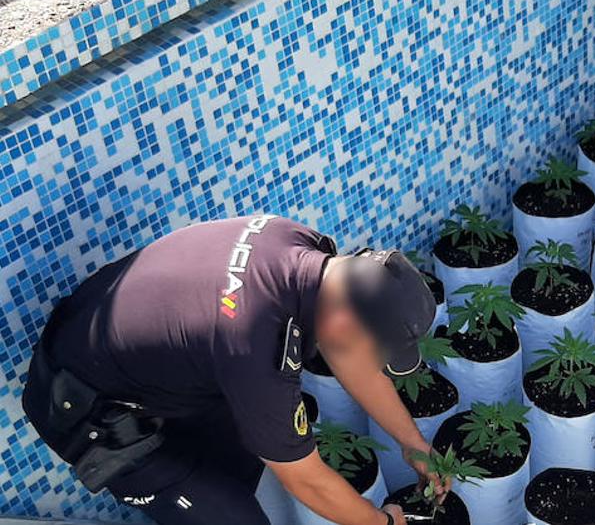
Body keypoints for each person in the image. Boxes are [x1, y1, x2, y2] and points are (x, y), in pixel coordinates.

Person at [22, 214, 447, 525]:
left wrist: (414, 446)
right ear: (343, 321)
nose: (372, 361)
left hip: (146, 367)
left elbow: (347, 351)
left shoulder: (303, 249)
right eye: (375, 349)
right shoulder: (259, 349)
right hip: (87, 408)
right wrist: (382, 523)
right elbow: (308, 481)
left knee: (241, 469)